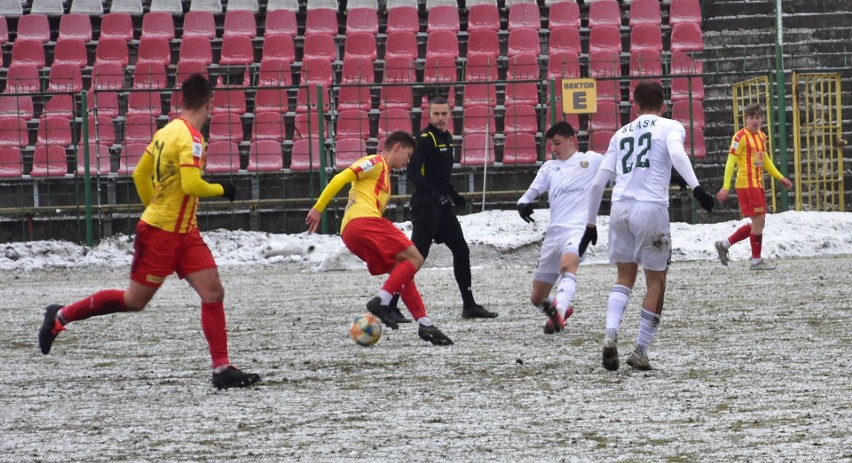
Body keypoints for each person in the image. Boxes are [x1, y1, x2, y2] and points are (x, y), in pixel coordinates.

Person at [38, 75, 260, 389]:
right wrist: (225, 189)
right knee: (134, 300)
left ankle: (222, 369)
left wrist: (152, 204)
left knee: (213, 292)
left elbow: (140, 173)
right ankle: (59, 315)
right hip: (162, 233)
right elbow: (192, 185)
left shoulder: (166, 131)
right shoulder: (191, 138)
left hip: (183, 231)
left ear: (183, 101)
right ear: (210, 104)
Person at [581, 81, 715, 371]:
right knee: (656, 281)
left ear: (635, 106)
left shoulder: (619, 134)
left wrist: (590, 224)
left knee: (624, 278)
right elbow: (677, 155)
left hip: (620, 209)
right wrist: (697, 188)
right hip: (650, 207)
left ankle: (610, 336)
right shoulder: (669, 126)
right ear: (664, 105)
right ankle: (640, 350)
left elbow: (596, 183)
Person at [305, 131, 453, 346]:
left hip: (352, 232)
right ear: (397, 147)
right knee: (415, 258)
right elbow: (341, 177)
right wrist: (319, 208)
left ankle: (425, 324)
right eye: (408, 156)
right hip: (363, 222)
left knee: (402, 272)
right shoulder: (375, 162)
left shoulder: (383, 173)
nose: (408, 162)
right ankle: (381, 302)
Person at [393, 96, 497, 322]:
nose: (440, 118)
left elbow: (439, 175)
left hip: (442, 206)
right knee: (415, 258)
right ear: (428, 116)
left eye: (444, 113)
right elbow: (413, 173)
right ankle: (389, 303)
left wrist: (452, 193)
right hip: (426, 206)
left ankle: (469, 306)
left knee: (461, 250)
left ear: (450, 114)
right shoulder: (425, 139)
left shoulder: (447, 137)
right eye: (436, 114)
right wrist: (435, 195)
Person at [516, 121, 602, 334]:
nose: (553, 149)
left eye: (557, 143)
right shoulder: (550, 167)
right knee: (537, 298)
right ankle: (560, 306)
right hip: (553, 235)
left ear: (571, 140)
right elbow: (530, 193)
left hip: (578, 229)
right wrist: (522, 204)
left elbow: (622, 169)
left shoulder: (591, 160)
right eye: (550, 145)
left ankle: (559, 312)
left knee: (568, 265)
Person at [714, 103, 793, 269]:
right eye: (751, 118)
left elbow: (762, 160)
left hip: (757, 184)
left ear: (762, 118)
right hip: (746, 184)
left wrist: (779, 177)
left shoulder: (761, 136)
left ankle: (724, 245)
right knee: (758, 220)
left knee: (759, 222)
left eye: (757, 117)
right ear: (746, 119)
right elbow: (731, 162)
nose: (754, 121)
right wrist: (726, 186)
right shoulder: (740, 137)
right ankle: (756, 261)